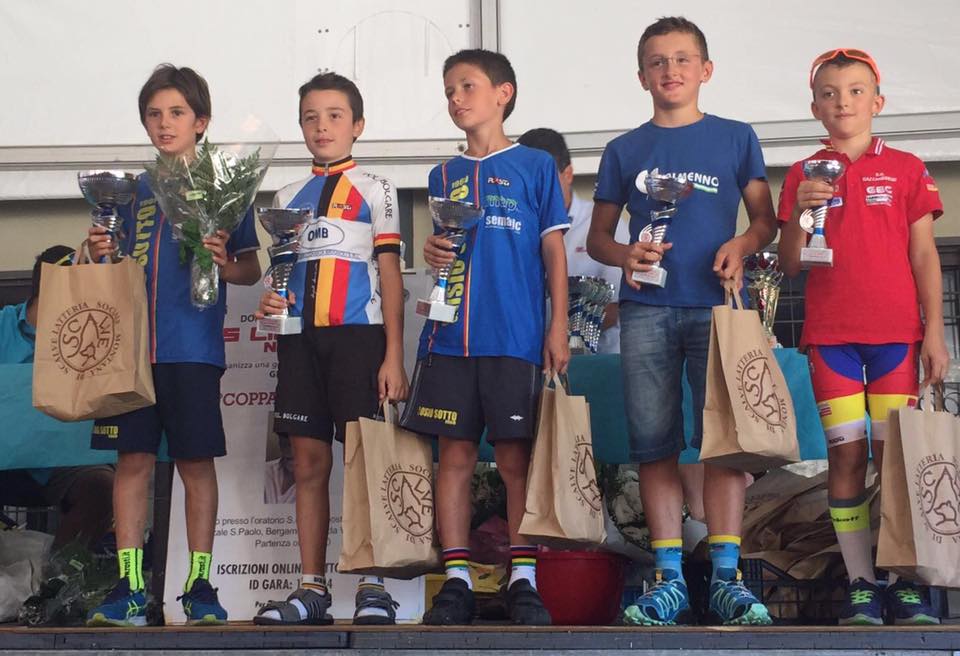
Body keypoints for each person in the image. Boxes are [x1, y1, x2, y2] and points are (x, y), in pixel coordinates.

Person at [587, 16, 778, 625]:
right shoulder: (624, 150)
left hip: (718, 307)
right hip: (645, 309)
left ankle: (726, 578)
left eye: (682, 59)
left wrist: (742, 245)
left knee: (725, 444)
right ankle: (668, 577)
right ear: (641, 76)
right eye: (657, 61)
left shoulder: (735, 137)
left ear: (705, 70)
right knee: (655, 445)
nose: (670, 70)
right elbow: (597, 237)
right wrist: (626, 255)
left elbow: (766, 220)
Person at [85, 64, 262, 626]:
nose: (164, 123)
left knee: (194, 463)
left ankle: (199, 585)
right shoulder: (128, 191)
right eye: (154, 114)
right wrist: (95, 251)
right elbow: (104, 266)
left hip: (192, 348)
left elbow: (251, 269)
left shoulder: (226, 186)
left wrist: (223, 262)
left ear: (200, 122)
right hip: (129, 351)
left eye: (177, 113)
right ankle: (130, 587)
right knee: (132, 461)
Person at [400, 49, 570, 626]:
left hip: (514, 336)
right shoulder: (441, 175)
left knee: (516, 460)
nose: (456, 98)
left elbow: (553, 250)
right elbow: (444, 251)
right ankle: (457, 581)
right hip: (449, 340)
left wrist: (558, 324)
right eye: (449, 89)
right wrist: (431, 251)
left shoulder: (535, 165)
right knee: (454, 457)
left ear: (503, 93)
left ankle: (523, 579)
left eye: (467, 86)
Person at [778, 48, 946, 625]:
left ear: (878, 102)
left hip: (897, 337)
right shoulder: (803, 173)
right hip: (833, 340)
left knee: (896, 460)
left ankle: (902, 582)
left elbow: (924, 256)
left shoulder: (906, 168)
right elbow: (791, 265)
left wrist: (934, 333)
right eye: (829, 93)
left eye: (854, 91)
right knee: (846, 456)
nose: (842, 102)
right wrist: (803, 215)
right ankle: (860, 583)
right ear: (814, 108)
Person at [252, 72, 408, 626]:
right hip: (299, 341)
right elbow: (281, 272)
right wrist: (272, 296)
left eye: (335, 115)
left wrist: (394, 354)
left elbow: (390, 274)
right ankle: (311, 588)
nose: (322, 126)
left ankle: (373, 586)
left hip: (358, 337)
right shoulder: (285, 197)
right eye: (311, 117)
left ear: (357, 125)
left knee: (364, 462)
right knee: (307, 462)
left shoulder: (377, 188)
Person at [0, 245, 115, 550]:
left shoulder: (94, 333)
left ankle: (59, 573)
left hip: (63, 462)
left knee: (103, 487)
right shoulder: (2, 325)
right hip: (5, 456)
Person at [517, 128, 629, 354]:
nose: (534, 190)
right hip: (528, 355)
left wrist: (563, 332)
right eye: (525, 181)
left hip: (597, 361)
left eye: (544, 180)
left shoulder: (601, 225)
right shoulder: (514, 228)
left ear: (568, 174)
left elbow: (619, 305)